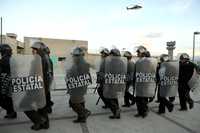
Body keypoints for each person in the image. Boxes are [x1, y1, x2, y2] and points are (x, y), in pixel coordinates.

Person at [24, 42, 50, 130]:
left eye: (34, 49)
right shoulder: (46, 58)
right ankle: (45, 124)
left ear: (40, 50)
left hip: (37, 87)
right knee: (41, 106)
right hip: (43, 87)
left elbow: (35, 75)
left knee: (24, 105)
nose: (32, 51)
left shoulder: (38, 60)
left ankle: (39, 120)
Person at [67, 47, 91, 123]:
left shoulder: (82, 64)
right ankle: (82, 118)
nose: (73, 57)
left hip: (78, 86)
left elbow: (80, 76)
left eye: (75, 55)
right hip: (78, 86)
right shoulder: (80, 63)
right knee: (80, 102)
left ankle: (84, 112)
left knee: (73, 102)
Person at [134, 46, 157, 118]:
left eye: (138, 52)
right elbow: (136, 72)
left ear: (142, 53)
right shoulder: (138, 62)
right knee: (138, 99)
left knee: (143, 99)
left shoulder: (149, 61)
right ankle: (139, 112)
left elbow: (153, 71)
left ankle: (144, 112)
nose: (137, 54)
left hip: (146, 82)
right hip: (139, 82)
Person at [103, 48, 126, 119]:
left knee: (109, 98)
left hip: (112, 82)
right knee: (114, 97)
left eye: (111, 54)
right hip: (119, 82)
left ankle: (116, 110)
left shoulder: (111, 62)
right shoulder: (122, 62)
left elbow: (109, 72)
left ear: (113, 55)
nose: (110, 55)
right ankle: (117, 114)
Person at [0, 44, 17, 119]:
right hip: (11, 81)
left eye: (1, 51)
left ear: (4, 51)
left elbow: (3, 72)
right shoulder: (11, 59)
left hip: (6, 81)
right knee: (9, 98)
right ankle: (11, 112)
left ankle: (11, 112)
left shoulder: (4, 60)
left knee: (5, 98)